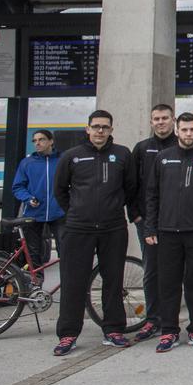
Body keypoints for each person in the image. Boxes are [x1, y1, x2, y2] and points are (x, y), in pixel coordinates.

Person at [51, 110, 136, 356]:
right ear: (87, 129)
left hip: (113, 228)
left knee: (113, 280)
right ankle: (68, 334)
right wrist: (76, 212)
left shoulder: (122, 155)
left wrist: (116, 209)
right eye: (96, 126)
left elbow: (130, 188)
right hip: (79, 229)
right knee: (73, 282)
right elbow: (60, 190)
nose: (100, 131)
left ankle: (113, 330)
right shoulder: (72, 156)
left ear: (111, 130)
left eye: (105, 127)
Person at [145, 112, 193, 352]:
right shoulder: (163, 158)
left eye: (192, 130)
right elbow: (152, 194)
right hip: (167, 232)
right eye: (184, 129)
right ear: (177, 131)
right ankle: (169, 331)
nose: (188, 134)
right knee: (168, 283)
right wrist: (151, 226)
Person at [129, 103, 178, 343]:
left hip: (177, 222)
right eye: (156, 118)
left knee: (177, 272)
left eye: (165, 118)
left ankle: (172, 319)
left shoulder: (181, 145)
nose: (160, 122)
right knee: (152, 269)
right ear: (151, 122)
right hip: (148, 221)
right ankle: (153, 318)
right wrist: (136, 215)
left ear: (173, 119)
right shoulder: (141, 149)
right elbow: (131, 184)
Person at [11, 130, 64, 275]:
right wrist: (28, 198)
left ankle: (68, 286)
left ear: (51, 141)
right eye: (34, 141)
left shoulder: (62, 160)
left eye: (41, 139)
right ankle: (36, 289)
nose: (37, 143)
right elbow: (17, 187)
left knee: (66, 252)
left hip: (59, 213)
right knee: (33, 255)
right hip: (33, 213)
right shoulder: (27, 163)